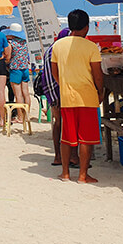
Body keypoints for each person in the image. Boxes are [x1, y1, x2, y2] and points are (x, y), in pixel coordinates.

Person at [50, 10, 102, 183]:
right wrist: (100, 91)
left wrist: (65, 84)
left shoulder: (58, 46)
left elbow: (54, 73)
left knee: (67, 136)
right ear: (87, 27)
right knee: (85, 139)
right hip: (87, 96)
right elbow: (98, 75)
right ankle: (82, 175)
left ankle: (65, 173)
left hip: (66, 96)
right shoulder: (91, 47)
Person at [42, 28, 71, 166]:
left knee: (58, 123)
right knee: (64, 123)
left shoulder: (50, 50)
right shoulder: (60, 50)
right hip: (59, 90)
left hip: (51, 91)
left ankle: (58, 155)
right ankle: (66, 156)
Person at [6, 23, 31, 126]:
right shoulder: (25, 42)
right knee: (26, 93)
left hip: (15, 69)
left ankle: (20, 117)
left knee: (18, 95)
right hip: (25, 69)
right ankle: (27, 115)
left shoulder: (11, 43)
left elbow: (8, 57)